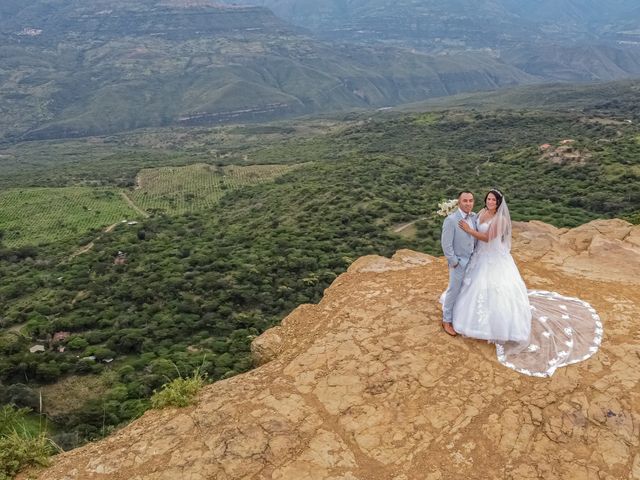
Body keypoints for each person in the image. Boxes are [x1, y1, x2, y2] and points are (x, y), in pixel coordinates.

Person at [446, 189, 603, 377]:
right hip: (478, 257)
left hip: (494, 258)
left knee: (497, 289)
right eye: (488, 198)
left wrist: (469, 230)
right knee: (472, 287)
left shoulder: (501, 220)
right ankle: (458, 316)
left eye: (493, 200)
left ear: (499, 202)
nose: (490, 202)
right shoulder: (480, 212)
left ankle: (498, 325)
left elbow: (488, 238)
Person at [440, 191, 476, 336]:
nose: (468, 203)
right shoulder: (451, 220)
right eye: (465, 201)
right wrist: (454, 262)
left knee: (469, 289)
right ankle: (446, 320)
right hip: (459, 262)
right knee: (454, 289)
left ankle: (463, 316)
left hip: (473, 261)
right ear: (459, 202)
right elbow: (446, 244)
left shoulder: (474, 217)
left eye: (471, 200)